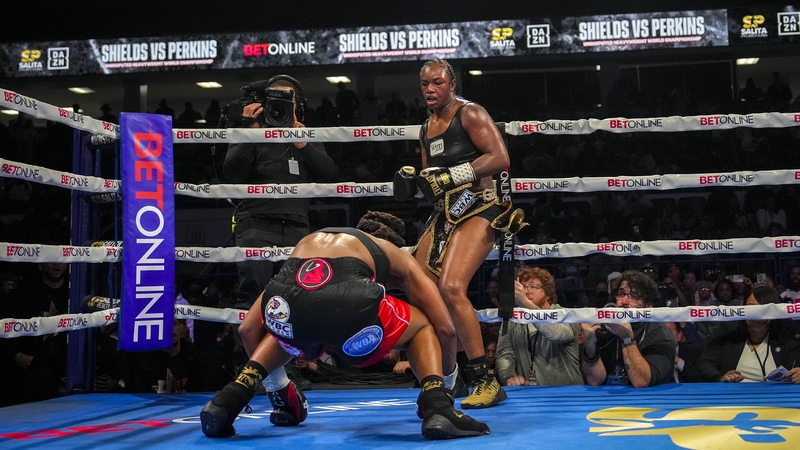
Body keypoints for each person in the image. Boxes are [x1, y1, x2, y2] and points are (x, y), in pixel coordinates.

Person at [200, 212, 489, 440]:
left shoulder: (309, 248)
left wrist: (279, 392)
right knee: (423, 325)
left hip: (287, 298)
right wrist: (446, 387)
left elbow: (248, 329)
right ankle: (439, 406)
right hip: (351, 304)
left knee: (295, 325)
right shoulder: (394, 253)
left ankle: (229, 399)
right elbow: (446, 329)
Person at [393, 58, 526, 409]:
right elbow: (432, 184)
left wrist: (454, 175)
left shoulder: (470, 113)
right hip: (447, 212)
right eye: (425, 84)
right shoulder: (425, 128)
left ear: (452, 84)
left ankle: (485, 379)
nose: (430, 90)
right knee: (417, 285)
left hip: (483, 205)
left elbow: (499, 157)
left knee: (452, 287)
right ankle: (447, 376)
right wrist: (414, 183)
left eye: (437, 82)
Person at [223, 75, 336, 368]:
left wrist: (302, 144)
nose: (281, 106)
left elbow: (328, 172)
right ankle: (247, 369)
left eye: (288, 99)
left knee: (294, 299)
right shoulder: (251, 129)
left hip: (297, 225)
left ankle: (288, 369)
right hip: (255, 222)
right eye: (277, 100)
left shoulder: (304, 134)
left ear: (297, 104)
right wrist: (251, 131)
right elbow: (232, 174)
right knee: (253, 295)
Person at [581, 270, 676, 388]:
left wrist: (627, 339)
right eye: (621, 294)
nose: (624, 302)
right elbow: (595, 381)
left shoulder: (661, 334)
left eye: (634, 296)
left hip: (653, 401)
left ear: (648, 305)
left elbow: (641, 381)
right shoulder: (607, 327)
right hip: (614, 400)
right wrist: (590, 344)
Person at [495, 267, 582, 386]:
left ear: (548, 294)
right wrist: (510, 377)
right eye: (523, 287)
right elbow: (504, 354)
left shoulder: (564, 314)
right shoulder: (513, 319)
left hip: (566, 394)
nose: (526, 292)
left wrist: (525, 303)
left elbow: (558, 335)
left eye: (533, 287)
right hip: (528, 394)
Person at [696, 286, 800, 383]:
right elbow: (706, 361)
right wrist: (721, 378)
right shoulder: (729, 330)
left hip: (775, 397)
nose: (752, 313)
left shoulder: (787, 339)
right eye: (749, 308)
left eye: (758, 309)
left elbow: (794, 368)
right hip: (734, 396)